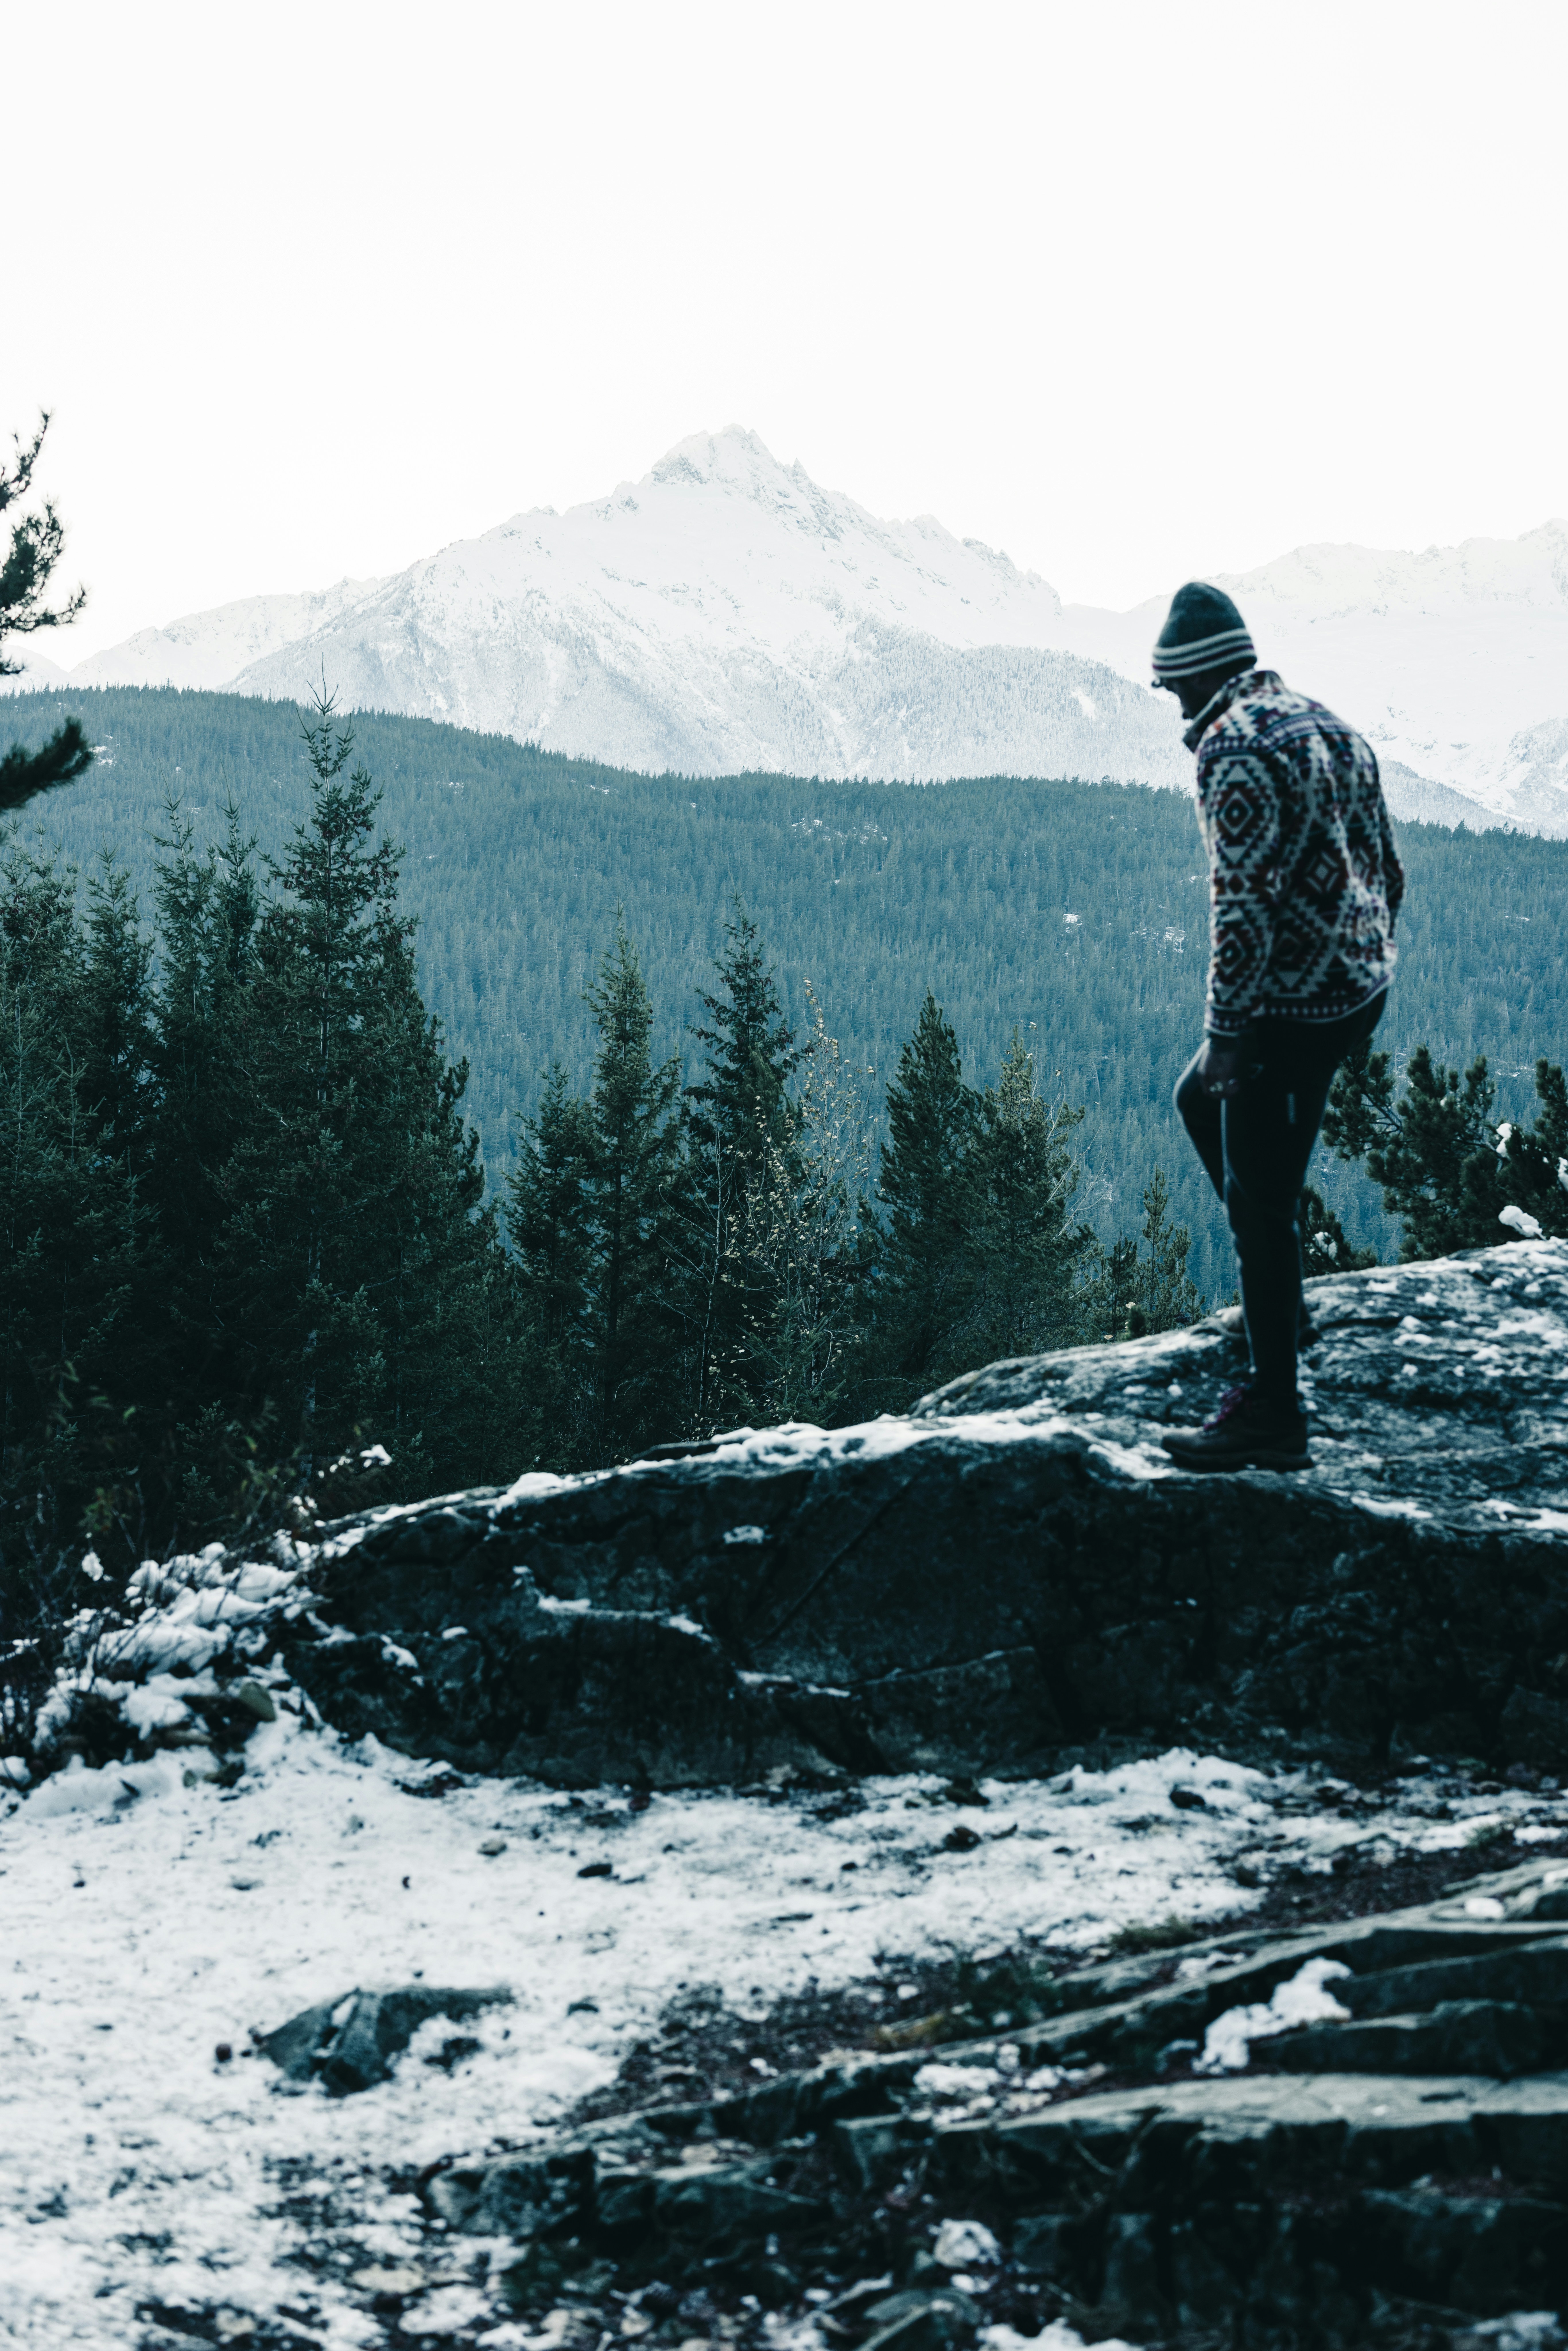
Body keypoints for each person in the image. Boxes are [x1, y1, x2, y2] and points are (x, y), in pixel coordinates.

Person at [1152, 582, 1404, 1471]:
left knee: (1261, 1199)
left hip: (1296, 1007)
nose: (1173, 706)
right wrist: (1371, 952)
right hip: (1355, 983)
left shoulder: (1232, 750)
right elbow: (1386, 858)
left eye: (1172, 687)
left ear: (1197, 678)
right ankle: (1283, 1307)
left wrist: (1231, 1038)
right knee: (1196, 1105)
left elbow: (1243, 909)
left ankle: (1274, 1414)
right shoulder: (1320, 720)